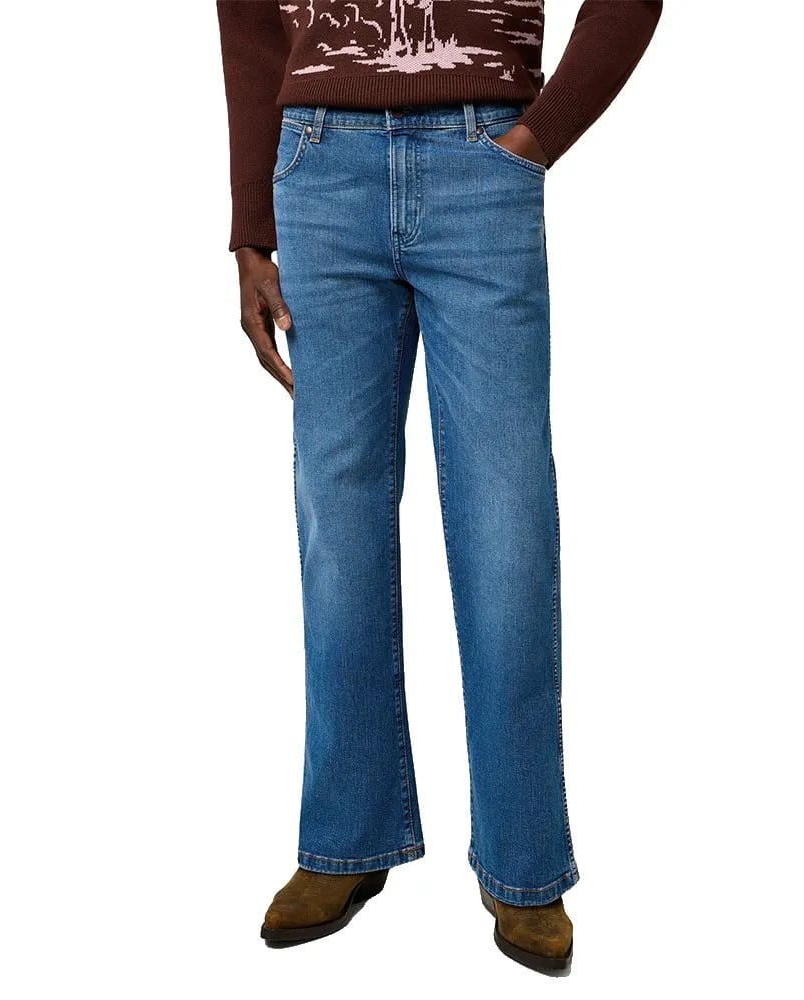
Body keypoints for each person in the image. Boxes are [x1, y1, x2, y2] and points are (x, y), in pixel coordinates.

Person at [216, 0, 662, 974]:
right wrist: (251, 226)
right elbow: (248, 14)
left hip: (481, 158)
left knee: (507, 517)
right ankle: (346, 835)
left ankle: (523, 859)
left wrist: (536, 139)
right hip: (317, 165)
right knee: (336, 523)